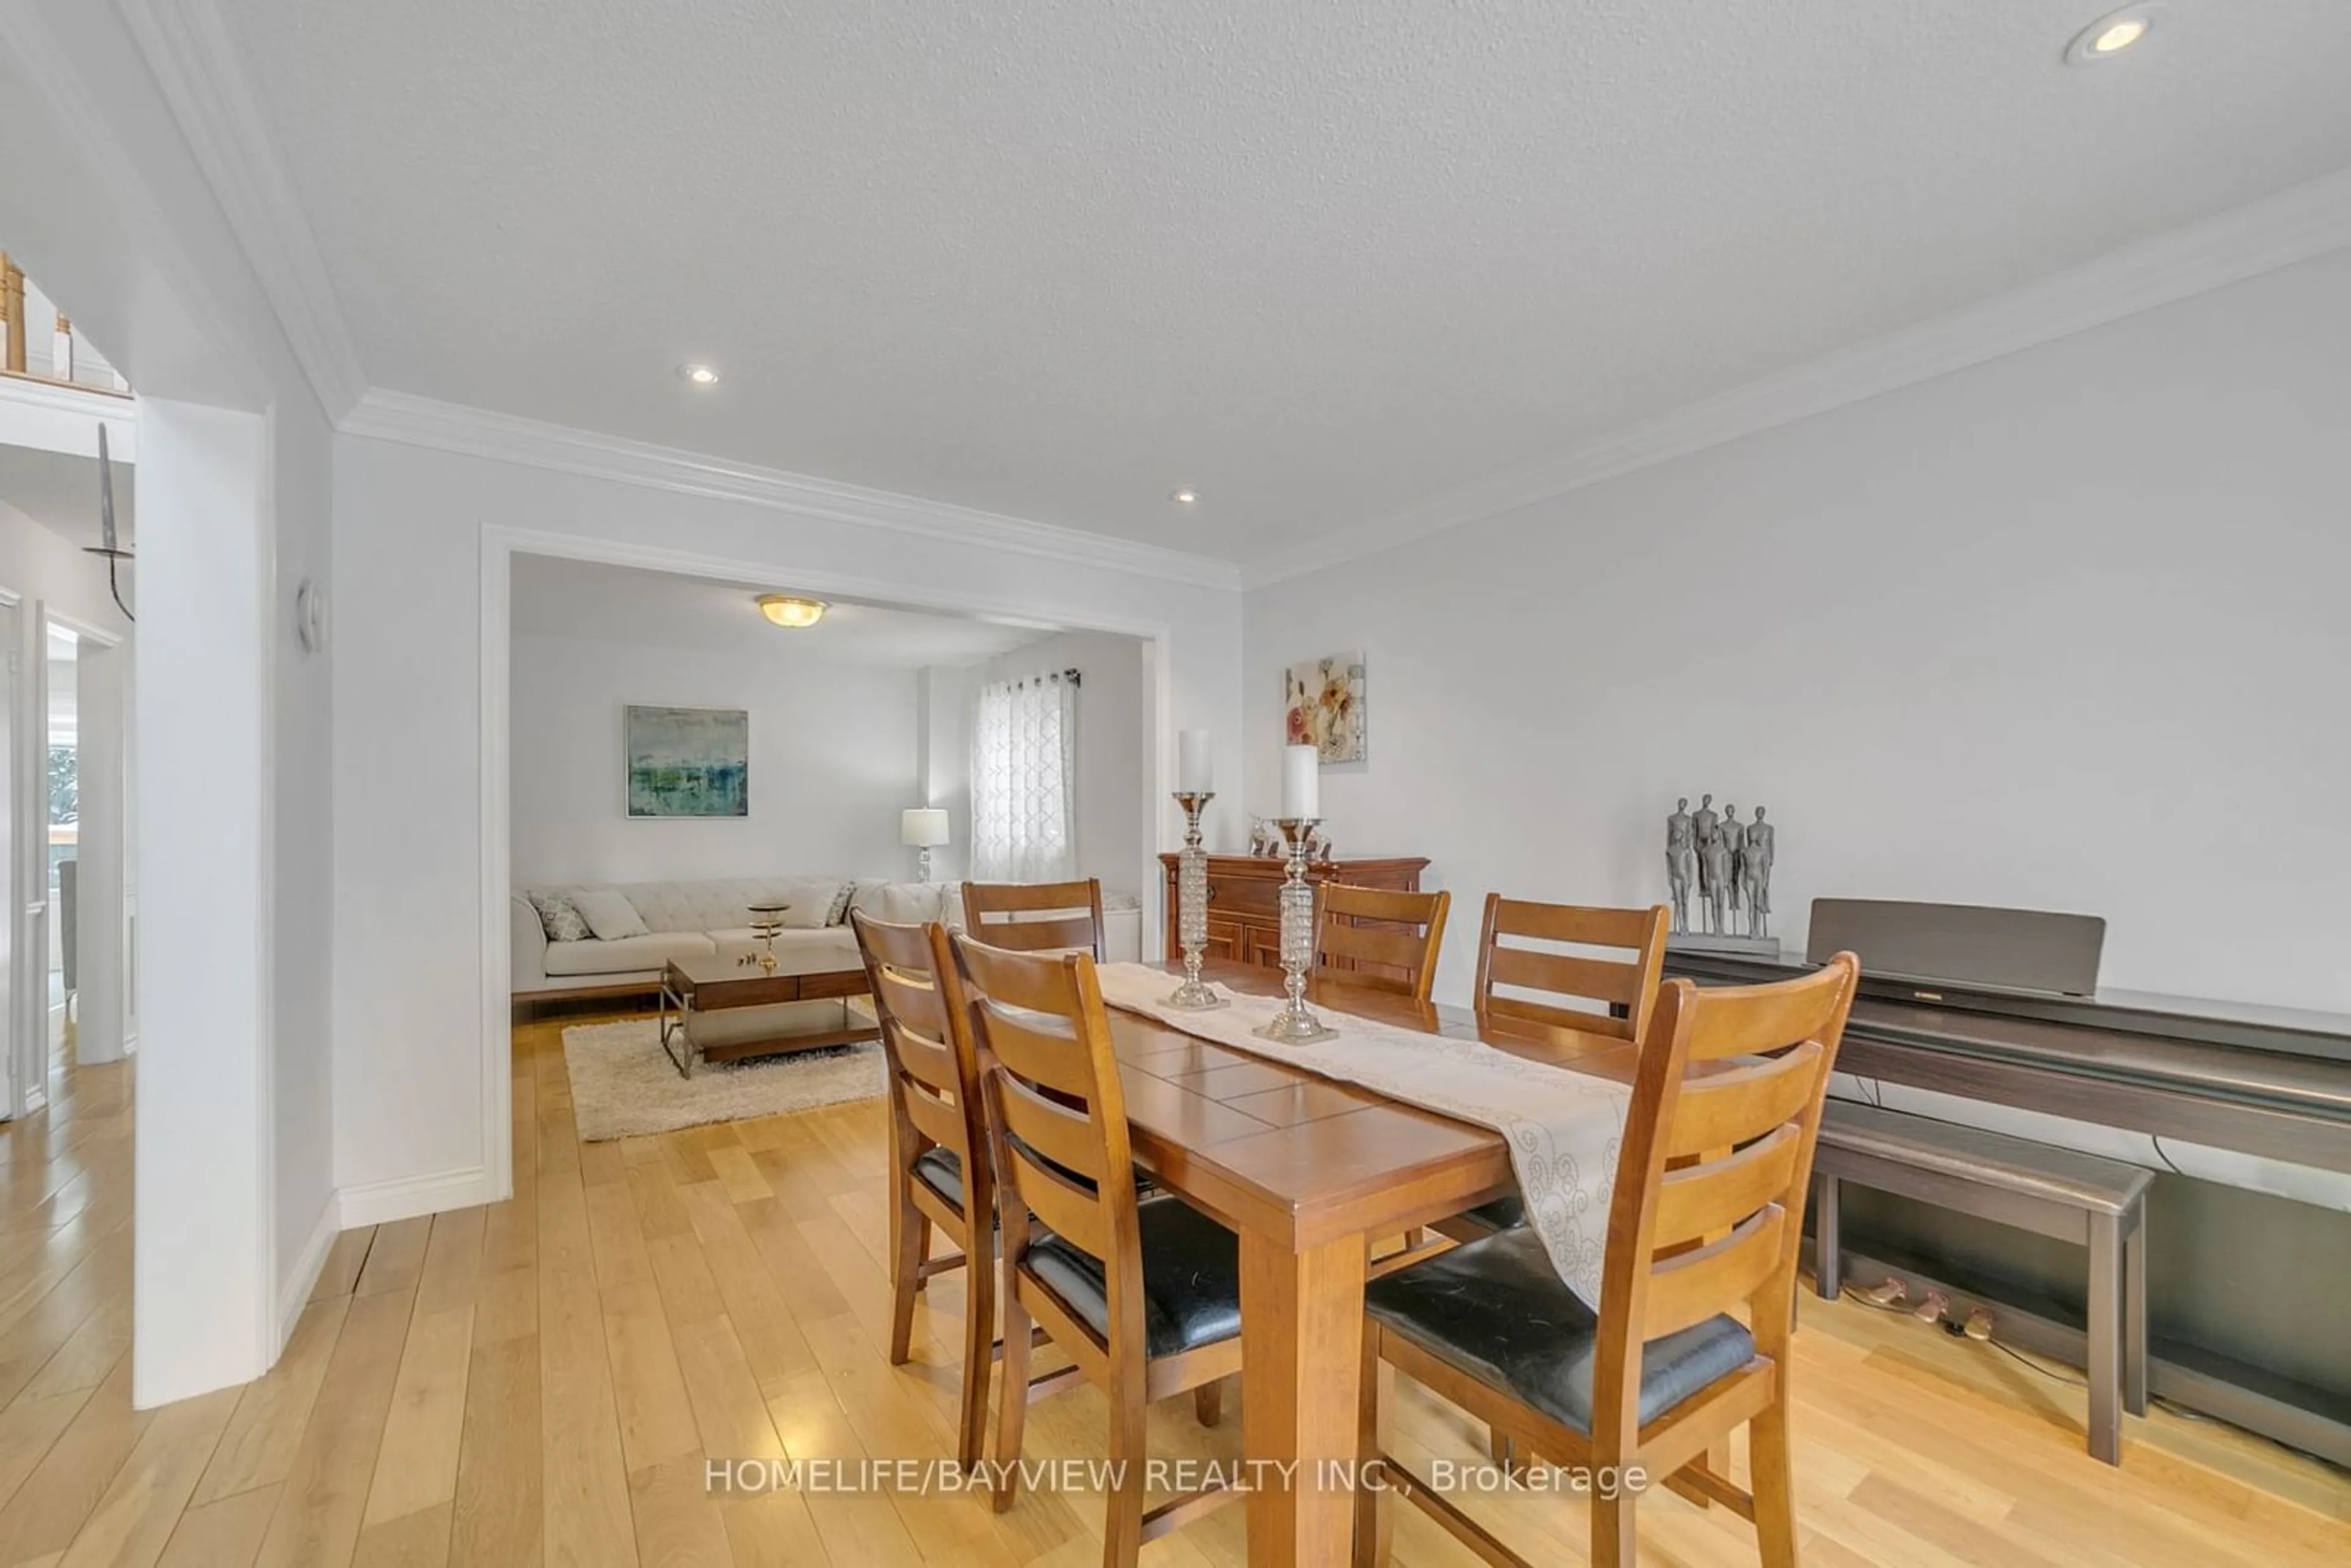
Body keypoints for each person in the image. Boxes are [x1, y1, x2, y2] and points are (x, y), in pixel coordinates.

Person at [1665, 798, 1696, 933]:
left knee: (1685, 901)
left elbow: (1690, 867)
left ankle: (1685, 926)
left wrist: (1690, 880)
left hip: (1684, 877)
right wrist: (1670, 880)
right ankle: (1680, 925)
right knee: (1678, 901)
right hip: (1676, 877)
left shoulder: (1686, 851)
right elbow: (1669, 868)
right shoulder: (1670, 850)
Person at [1744, 807, 1775, 939]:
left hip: (1765, 857)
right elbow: (1747, 844)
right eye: (1758, 812)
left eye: (1762, 812)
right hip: (1753, 857)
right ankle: (1753, 928)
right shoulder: (1750, 828)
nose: (1759, 814)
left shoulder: (1769, 828)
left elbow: (1771, 844)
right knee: (1754, 895)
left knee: (1765, 885)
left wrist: (1771, 858)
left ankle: (1765, 904)